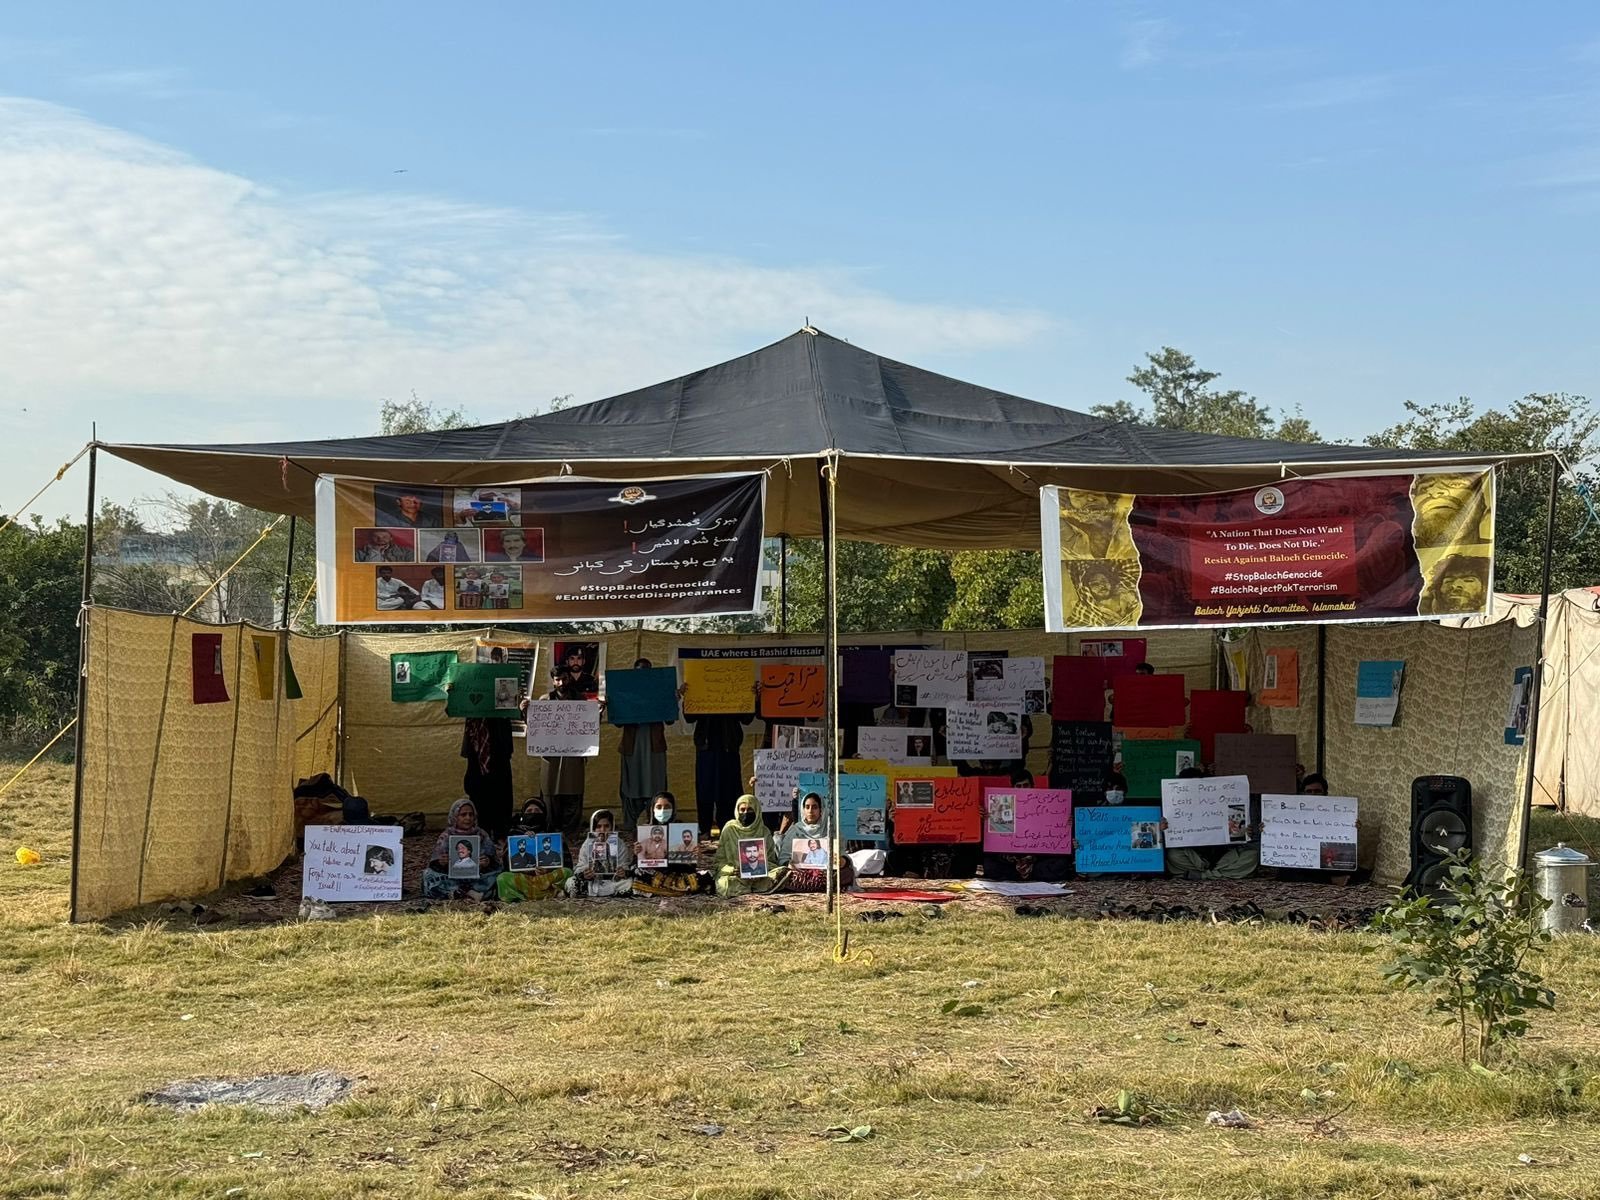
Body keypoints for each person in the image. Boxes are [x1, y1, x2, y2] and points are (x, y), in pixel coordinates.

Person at [1162, 767, 1260, 881]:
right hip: (1195, 858)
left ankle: (1204, 875)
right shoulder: (1172, 808)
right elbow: (1168, 842)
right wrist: (1163, 829)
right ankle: (1219, 874)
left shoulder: (1223, 801)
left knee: (1251, 856)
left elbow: (1237, 837)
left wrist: (1243, 831)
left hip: (1223, 857)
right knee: (1173, 855)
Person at [536, 675, 591, 850]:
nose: (561, 683)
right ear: (553, 681)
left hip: (573, 755)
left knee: (573, 792)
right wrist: (525, 711)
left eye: (565, 679)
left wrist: (598, 710)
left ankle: (571, 834)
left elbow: (589, 724)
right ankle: (552, 832)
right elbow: (535, 725)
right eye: (558, 679)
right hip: (550, 756)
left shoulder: (580, 700)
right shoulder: (545, 700)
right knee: (550, 792)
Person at [618, 657, 671, 829]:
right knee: (631, 785)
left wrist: (672, 700)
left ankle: (656, 820)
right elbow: (618, 722)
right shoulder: (625, 693)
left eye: (647, 671)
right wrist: (614, 704)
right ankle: (630, 824)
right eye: (639, 671)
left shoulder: (660, 692)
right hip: (632, 746)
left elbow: (670, 720)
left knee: (655, 783)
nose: (643, 674)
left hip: (654, 745)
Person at [689, 702, 754, 834]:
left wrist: (751, 696)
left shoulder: (737, 683)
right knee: (705, 789)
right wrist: (689, 696)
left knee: (730, 789)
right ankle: (705, 830)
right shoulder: (698, 684)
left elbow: (747, 719)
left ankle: (729, 831)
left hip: (729, 746)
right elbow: (689, 717)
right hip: (706, 747)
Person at [632, 792, 712, 895]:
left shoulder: (681, 830)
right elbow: (638, 863)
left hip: (677, 873)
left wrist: (695, 855)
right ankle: (677, 889)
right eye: (659, 807)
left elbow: (690, 866)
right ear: (652, 809)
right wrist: (636, 853)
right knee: (638, 873)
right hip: (654, 873)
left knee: (705, 877)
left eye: (667, 807)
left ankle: (662, 889)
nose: (663, 811)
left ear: (673, 809)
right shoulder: (643, 832)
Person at [776, 791, 856, 893]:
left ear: (821, 809)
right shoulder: (795, 830)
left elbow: (842, 854)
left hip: (826, 872)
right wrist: (789, 864)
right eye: (807, 807)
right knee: (787, 875)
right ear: (803, 809)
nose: (810, 811)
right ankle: (824, 886)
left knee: (847, 873)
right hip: (801, 873)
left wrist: (842, 861)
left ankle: (815, 885)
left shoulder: (831, 830)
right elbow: (783, 858)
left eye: (814, 807)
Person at [422, 798, 501, 899]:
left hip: (477, 877)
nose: (468, 818)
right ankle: (471, 893)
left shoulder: (482, 834)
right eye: (463, 815)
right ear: (455, 817)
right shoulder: (446, 836)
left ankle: (456, 893)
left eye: (471, 814)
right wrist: (441, 862)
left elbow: (495, 863)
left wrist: (487, 862)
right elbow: (434, 865)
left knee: (499, 876)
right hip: (452, 878)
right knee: (428, 875)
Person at [713, 794, 784, 897]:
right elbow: (719, 863)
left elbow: (771, 861)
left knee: (780, 873)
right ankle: (754, 887)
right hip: (736, 876)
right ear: (737, 811)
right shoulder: (729, 829)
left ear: (757, 810)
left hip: (761, 877)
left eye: (750, 810)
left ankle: (754, 885)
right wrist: (733, 870)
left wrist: (760, 870)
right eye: (742, 810)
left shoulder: (764, 831)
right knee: (725, 884)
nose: (746, 813)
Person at [460, 708, 515, 840]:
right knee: (478, 791)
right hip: (476, 754)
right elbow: (455, 707)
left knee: (501, 791)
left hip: (499, 749)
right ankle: (482, 830)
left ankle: (500, 831)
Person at [566, 810, 634, 897]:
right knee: (570, 882)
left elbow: (625, 865)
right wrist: (585, 874)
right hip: (593, 882)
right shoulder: (587, 844)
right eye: (598, 826)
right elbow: (580, 866)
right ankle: (609, 893)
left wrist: (622, 872)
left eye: (606, 826)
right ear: (593, 828)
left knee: (629, 882)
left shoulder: (620, 844)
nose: (602, 830)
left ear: (612, 827)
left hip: (614, 882)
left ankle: (592, 892)